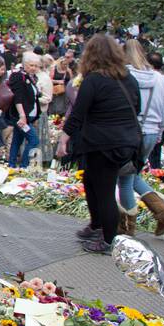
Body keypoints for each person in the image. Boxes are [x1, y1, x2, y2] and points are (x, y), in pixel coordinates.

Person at [57, 34, 143, 253]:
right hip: (126, 141)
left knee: (104, 189)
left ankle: (108, 239)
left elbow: (78, 113)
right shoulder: (128, 78)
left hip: (102, 143)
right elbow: (138, 107)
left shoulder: (94, 80)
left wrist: (63, 139)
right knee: (91, 181)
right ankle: (97, 225)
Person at [115, 39, 164, 235]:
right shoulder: (158, 78)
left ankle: (127, 229)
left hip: (129, 131)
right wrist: (159, 133)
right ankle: (163, 212)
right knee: (133, 174)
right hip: (150, 132)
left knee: (124, 178)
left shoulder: (124, 75)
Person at [6, 52, 42, 168]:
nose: (34, 68)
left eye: (36, 66)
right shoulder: (19, 76)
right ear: (25, 64)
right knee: (34, 140)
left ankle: (11, 164)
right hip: (21, 117)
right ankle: (24, 165)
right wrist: (22, 115)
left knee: (17, 140)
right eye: (31, 65)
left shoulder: (29, 77)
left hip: (28, 116)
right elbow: (18, 97)